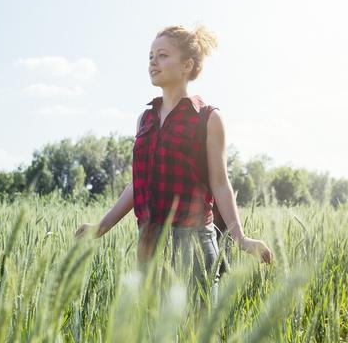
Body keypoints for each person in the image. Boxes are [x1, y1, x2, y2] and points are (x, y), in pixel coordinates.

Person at [75, 24, 273, 293]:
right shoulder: (144, 120)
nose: (152, 62)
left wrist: (241, 238)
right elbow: (139, 184)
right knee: (154, 333)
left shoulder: (208, 118)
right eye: (150, 56)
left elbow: (220, 183)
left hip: (192, 244)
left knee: (195, 332)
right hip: (149, 242)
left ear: (186, 65)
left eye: (162, 55)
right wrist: (102, 226)